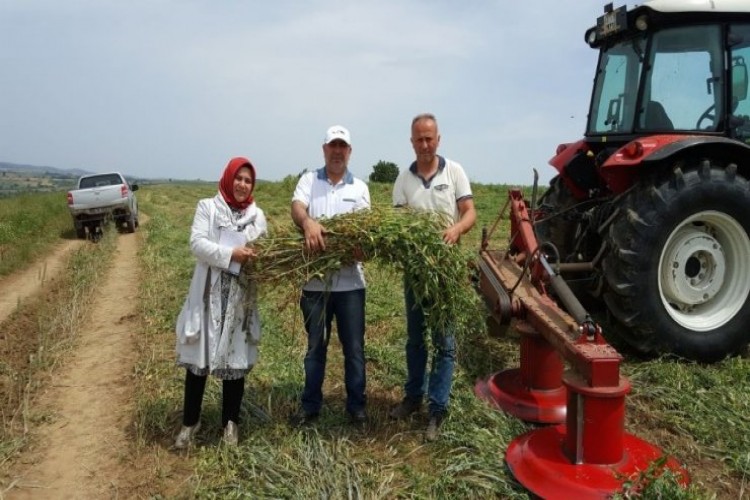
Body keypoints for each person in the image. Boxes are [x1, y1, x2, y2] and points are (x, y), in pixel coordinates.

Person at [390, 113, 477, 441]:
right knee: (415, 338)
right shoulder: (403, 180)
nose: (425, 145)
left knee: (444, 342)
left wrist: (455, 229)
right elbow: (398, 225)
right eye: (419, 139)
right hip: (415, 272)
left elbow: (469, 212)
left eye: (430, 138)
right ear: (411, 142)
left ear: (438, 140)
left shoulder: (454, 171)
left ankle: (437, 408)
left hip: (445, 272)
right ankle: (413, 397)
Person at [174, 156, 267, 448]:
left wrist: (255, 258)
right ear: (228, 178)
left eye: (248, 180)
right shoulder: (207, 207)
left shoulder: (257, 215)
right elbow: (197, 243)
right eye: (238, 178)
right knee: (197, 363)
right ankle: (190, 423)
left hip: (239, 297)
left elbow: (262, 250)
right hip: (206, 295)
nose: (242, 184)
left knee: (234, 361)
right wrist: (231, 255)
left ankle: (230, 424)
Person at [289, 125, 371, 426]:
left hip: (351, 286)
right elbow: (297, 207)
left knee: (354, 350)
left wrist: (362, 248)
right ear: (324, 149)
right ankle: (310, 405)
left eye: (343, 146)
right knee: (315, 348)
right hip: (315, 285)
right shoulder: (309, 181)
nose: (337, 151)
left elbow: (365, 231)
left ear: (349, 152)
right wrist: (308, 223)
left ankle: (357, 407)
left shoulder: (360, 188)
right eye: (332, 145)